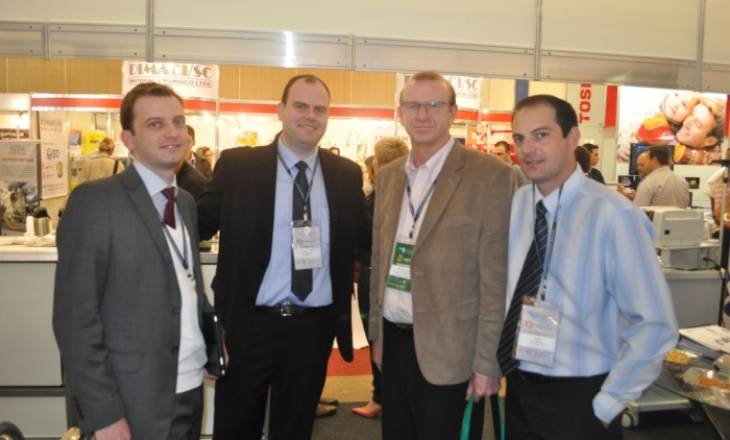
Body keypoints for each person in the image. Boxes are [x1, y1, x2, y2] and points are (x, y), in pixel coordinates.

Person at [198, 74, 368, 440]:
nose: (310, 116)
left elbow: (365, 240)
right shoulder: (238, 166)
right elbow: (197, 225)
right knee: (235, 427)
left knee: (295, 429)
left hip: (313, 328)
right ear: (280, 110)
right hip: (248, 326)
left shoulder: (346, 175)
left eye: (319, 109)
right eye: (300, 106)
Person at [498, 94, 677, 439]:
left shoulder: (614, 215)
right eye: (520, 138)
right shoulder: (520, 204)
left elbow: (654, 323)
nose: (528, 149)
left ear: (572, 137)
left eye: (541, 135)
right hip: (520, 387)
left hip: (582, 398)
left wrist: (609, 403)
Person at [53, 82, 220, 439]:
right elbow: (75, 319)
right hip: (133, 399)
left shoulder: (185, 202)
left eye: (178, 122)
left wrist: (210, 343)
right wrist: (103, 414)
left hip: (190, 387)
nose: (172, 132)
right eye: (155, 124)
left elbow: (188, 284)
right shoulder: (95, 203)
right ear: (128, 138)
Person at [369, 71, 514, 440]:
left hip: (454, 351)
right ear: (400, 113)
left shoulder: (491, 176)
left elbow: (496, 279)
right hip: (394, 344)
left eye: (434, 105)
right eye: (413, 105)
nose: (422, 114)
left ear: (453, 112)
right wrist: (377, 338)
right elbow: (379, 263)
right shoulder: (389, 176)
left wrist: (488, 361)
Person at [352, 137, 409, 419]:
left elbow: (367, 235)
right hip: (387, 272)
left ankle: (380, 397)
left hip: (375, 272)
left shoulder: (383, 194)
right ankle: (387, 396)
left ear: (380, 162)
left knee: (377, 335)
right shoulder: (402, 191)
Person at [673, 97, 725, 164]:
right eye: (691, 114)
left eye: (697, 124)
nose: (686, 122)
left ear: (709, 141)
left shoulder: (698, 160)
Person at [175, 125, 208, 200]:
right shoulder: (171, 164)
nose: (185, 145)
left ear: (194, 142)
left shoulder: (204, 163)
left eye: (188, 141)